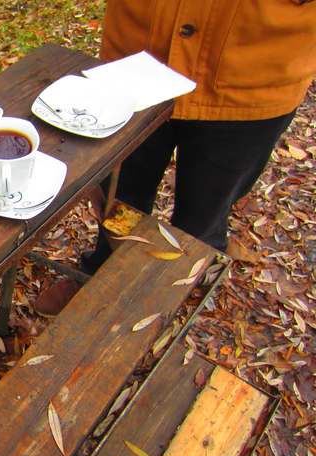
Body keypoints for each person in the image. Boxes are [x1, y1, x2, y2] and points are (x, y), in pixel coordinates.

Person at [35, 0, 316, 317]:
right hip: (139, 60)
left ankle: (170, 300)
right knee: (121, 194)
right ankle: (102, 270)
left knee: (205, 214)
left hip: (255, 69)